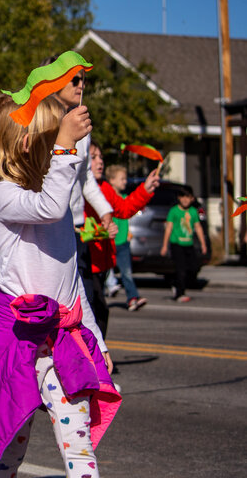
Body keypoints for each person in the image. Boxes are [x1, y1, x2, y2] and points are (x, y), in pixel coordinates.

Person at [0, 93, 120, 478]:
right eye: (53, 138)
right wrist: (64, 147)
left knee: (77, 443)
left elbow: (70, 284)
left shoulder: (53, 204)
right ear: (29, 143)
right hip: (20, 339)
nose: (63, 149)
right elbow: (50, 206)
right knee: (11, 441)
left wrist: (98, 341)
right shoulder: (1, 193)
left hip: (63, 337)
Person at [50, 60, 116, 338]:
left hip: (77, 228)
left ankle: (94, 365)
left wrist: (104, 210)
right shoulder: (43, 122)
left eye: (82, 80)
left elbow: (85, 177)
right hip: (49, 226)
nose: (81, 85)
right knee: (59, 306)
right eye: (74, 80)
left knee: (91, 300)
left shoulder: (82, 124)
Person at [84, 142, 159, 336]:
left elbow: (124, 209)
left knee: (97, 313)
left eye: (101, 157)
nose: (100, 162)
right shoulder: (77, 189)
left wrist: (146, 189)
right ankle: (94, 361)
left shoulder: (105, 187)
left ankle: (96, 361)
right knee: (95, 314)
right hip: (83, 264)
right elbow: (76, 228)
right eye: (93, 157)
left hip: (100, 263)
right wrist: (101, 233)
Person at [105, 164, 150, 311]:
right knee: (103, 272)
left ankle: (133, 298)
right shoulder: (103, 197)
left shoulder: (124, 198)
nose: (125, 181)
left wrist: (129, 233)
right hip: (108, 242)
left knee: (126, 273)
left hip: (123, 242)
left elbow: (127, 216)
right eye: (122, 179)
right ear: (111, 180)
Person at [160, 185, 207, 303]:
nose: (185, 200)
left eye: (188, 197)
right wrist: (165, 245)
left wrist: (203, 244)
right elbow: (169, 228)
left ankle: (176, 283)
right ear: (179, 198)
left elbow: (198, 227)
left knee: (193, 267)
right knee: (180, 269)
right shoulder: (174, 211)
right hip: (177, 244)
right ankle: (179, 293)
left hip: (188, 243)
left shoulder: (193, 212)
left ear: (192, 199)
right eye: (183, 197)